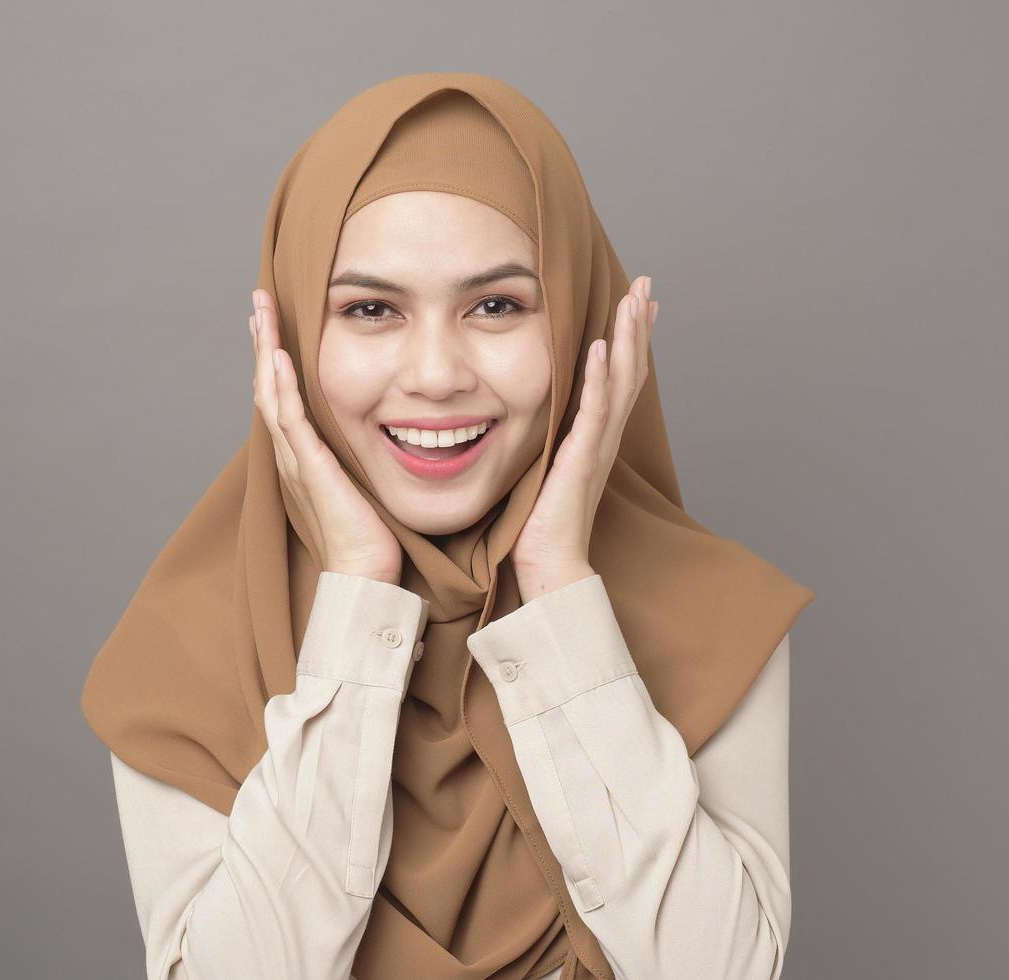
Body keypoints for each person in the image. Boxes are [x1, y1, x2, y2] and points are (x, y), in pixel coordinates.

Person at [80, 73, 813, 980]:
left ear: (582, 320)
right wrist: (356, 594)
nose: (434, 374)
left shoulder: (710, 616)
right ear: (295, 338)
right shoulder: (189, 647)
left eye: (498, 305)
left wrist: (557, 587)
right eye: (370, 310)